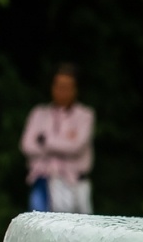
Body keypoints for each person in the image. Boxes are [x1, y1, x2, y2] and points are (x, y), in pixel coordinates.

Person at [20, 64, 94, 213]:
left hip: (75, 183)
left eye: (67, 86)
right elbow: (26, 145)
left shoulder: (85, 115)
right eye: (58, 86)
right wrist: (63, 143)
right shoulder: (39, 113)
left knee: (77, 231)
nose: (62, 91)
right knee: (41, 228)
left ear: (76, 89)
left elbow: (76, 147)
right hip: (43, 181)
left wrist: (44, 140)